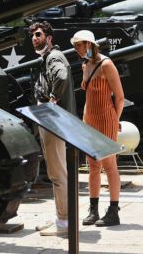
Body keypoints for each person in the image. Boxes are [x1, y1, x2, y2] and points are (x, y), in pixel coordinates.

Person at [71, 29, 124, 227]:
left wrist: (114, 120)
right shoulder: (86, 64)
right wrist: (85, 119)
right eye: (75, 46)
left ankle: (113, 211)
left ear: (89, 44)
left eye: (79, 45)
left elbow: (119, 97)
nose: (76, 49)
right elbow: (88, 97)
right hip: (90, 120)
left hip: (106, 120)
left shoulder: (106, 64)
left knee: (109, 165)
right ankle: (93, 210)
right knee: (93, 166)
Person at [30, 21, 76, 237]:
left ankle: (65, 223)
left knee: (57, 174)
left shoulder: (54, 57)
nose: (34, 38)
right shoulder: (48, 57)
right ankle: (61, 216)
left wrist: (52, 99)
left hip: (52, 120)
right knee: (58, 172)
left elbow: (61, 76)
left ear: (49, 38)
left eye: (38, 34)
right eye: (32, 35)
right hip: (50, 119)